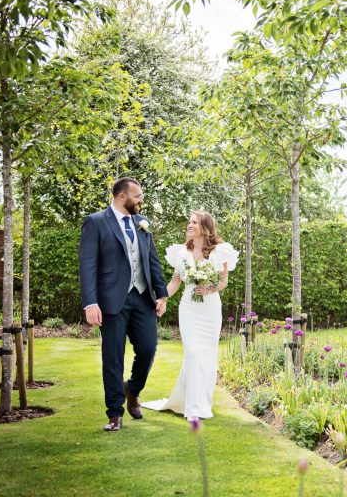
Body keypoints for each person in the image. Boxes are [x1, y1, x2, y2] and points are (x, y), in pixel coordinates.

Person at [79, 177, 168, 432]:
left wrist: (161, 294)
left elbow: (153, 260)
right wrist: (91, 303)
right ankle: (115, 414)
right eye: (137, 196)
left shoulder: (144, 224)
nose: (141, 200)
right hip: (111, 300)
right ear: (121, 197)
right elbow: (87, 265)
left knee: (148, 348)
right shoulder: (96, 222)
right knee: (113, 358)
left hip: (142, 297)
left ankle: (133, 389)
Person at [142, 210, 238, 421]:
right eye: (189, 222)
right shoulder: (182, 252)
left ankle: (198, 402)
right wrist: (163, 298)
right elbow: (176, 281)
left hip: (210, 309)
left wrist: (210, 288)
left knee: (206, 355)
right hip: (189, 309)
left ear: (205, 226)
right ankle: (194, 408)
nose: (190, 225)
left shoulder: (220, 251)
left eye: (194, 222)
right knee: (193, 352)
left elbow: (223, 281)